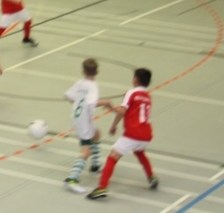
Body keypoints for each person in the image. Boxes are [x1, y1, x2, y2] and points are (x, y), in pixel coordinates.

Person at [87, 68, 158, 200]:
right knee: (140, 152)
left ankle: (102, 187)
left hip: (133, 133)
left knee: (113, 156)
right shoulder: (148, 96)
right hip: (146, 134)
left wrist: (113, 126)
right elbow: (131, 112)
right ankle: (151, 177)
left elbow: (122, 111)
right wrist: (112, 108)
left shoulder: (131, 93)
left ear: (135, 79)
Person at [63, 59, 112, 193]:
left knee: (96, 134)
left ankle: (95, 166)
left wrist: (77, 100)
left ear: (83, 71)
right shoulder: (93, 86)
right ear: (97, 72)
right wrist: (106, 102)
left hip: (77, 117)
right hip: (84, 120)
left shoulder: (80, 83)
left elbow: (67, 95)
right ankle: (72, 179)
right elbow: (91, 103)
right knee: (86, 151)